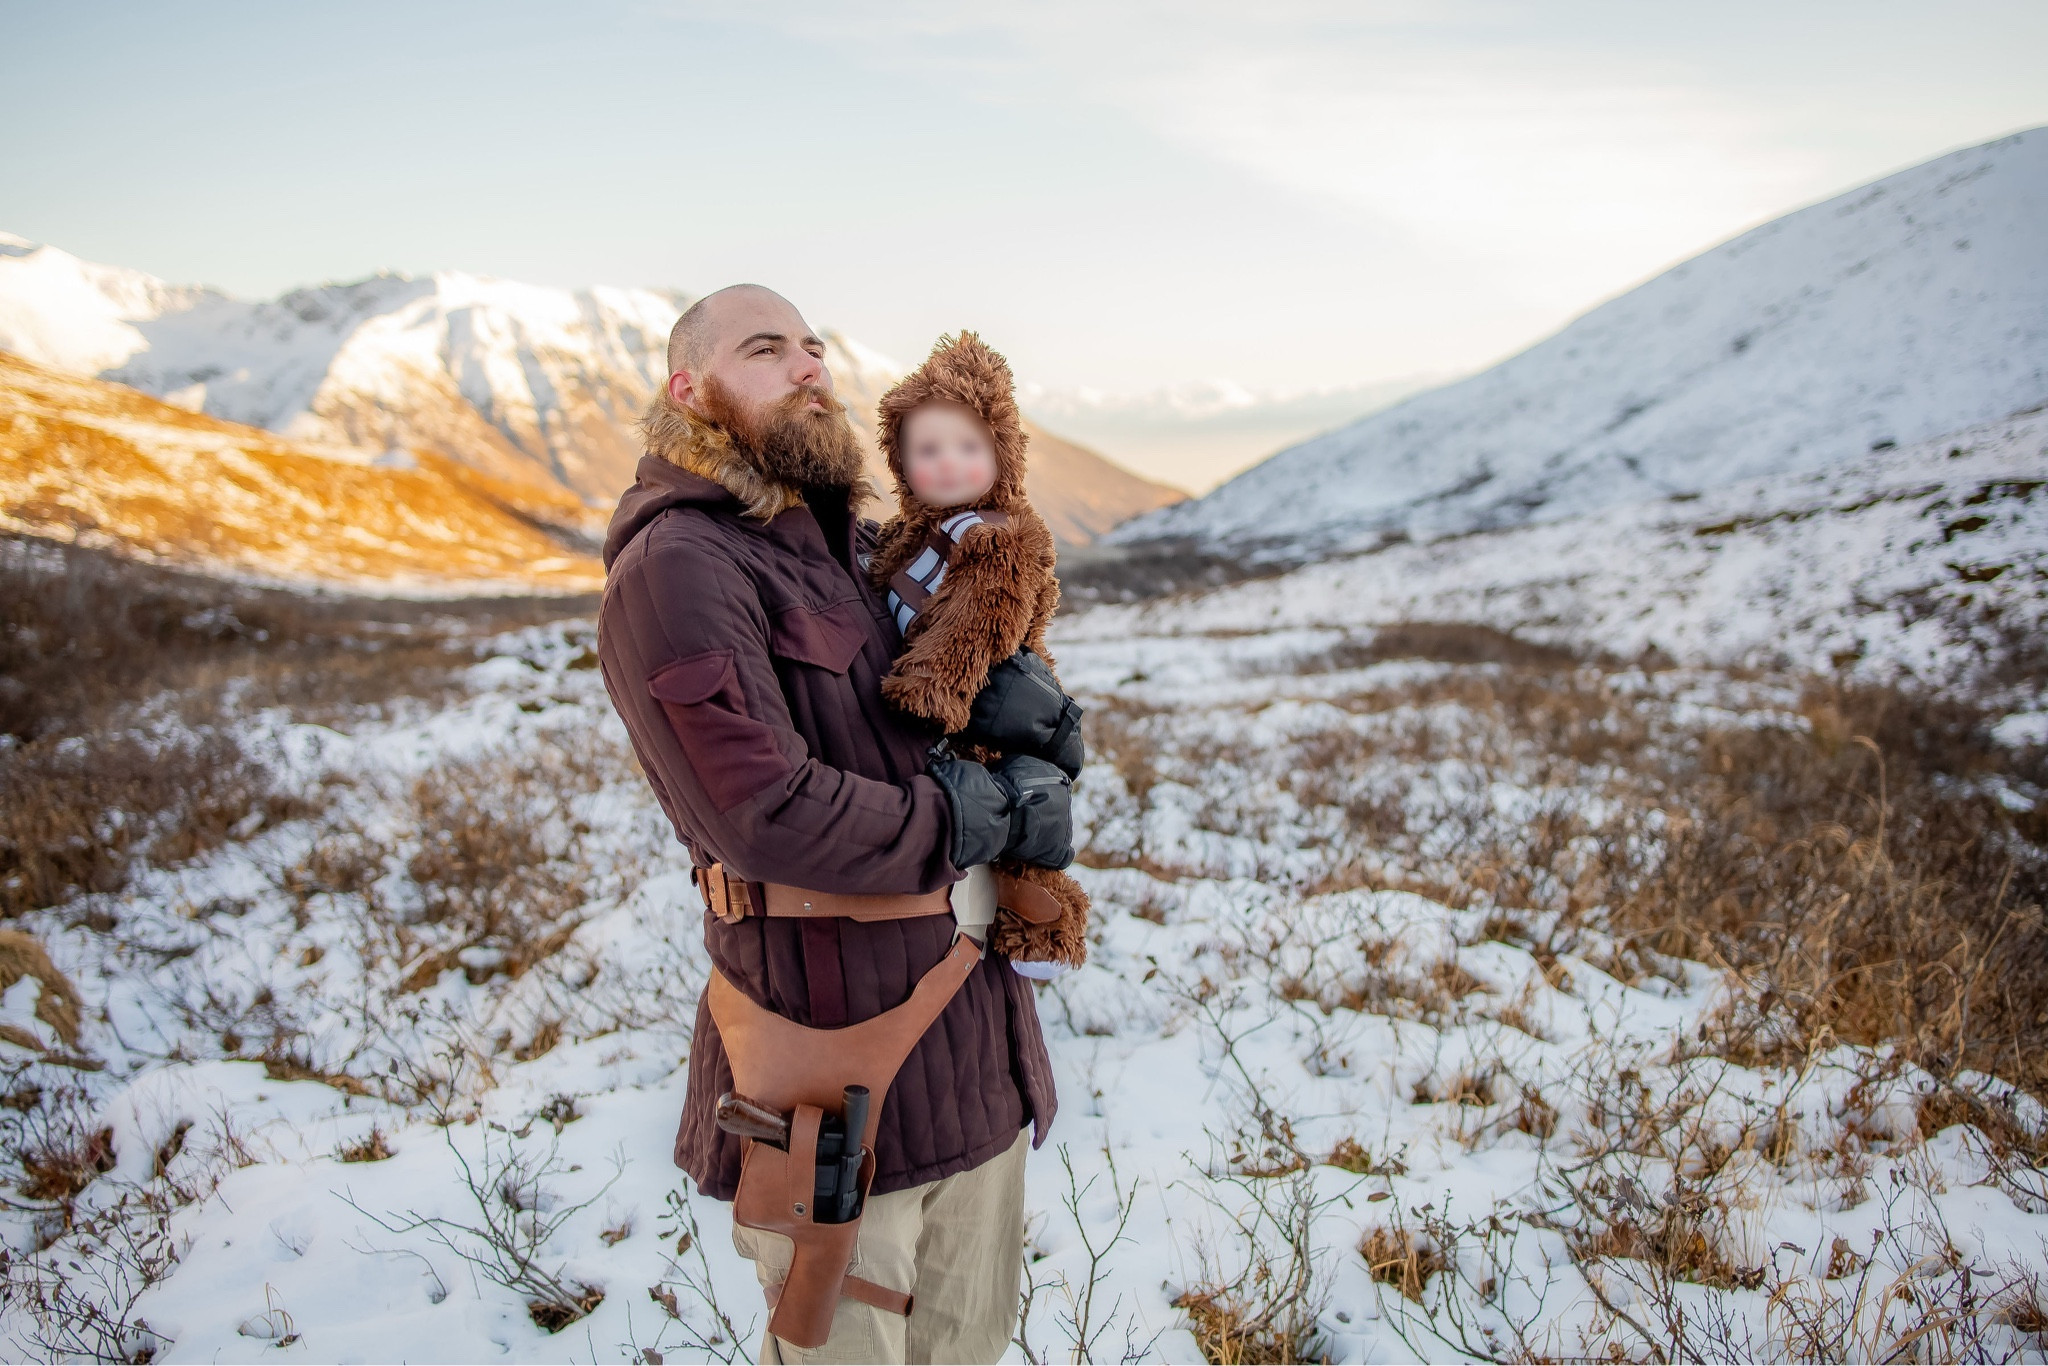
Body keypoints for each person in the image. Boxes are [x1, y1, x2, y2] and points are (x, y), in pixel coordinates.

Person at [592, 284, 1076, 1364]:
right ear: (690, 390)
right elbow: (761, 812)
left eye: (812, 346)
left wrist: (1043, 730)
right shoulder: (677, 568)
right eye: (765, 349)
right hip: (831, 1088)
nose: (808, 365)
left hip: (968, 1064)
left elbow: (964, 692)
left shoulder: (864, 550)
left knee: (969, 1349)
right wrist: (969, 816)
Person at [868, 331, 1092, 975]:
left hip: (991, 694)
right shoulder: (916, 531)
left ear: (1001, 455)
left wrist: (932, 686)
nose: (948, 463)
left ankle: (1048, 933)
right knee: (988, 807)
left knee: (1020, 804)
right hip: (956, 694)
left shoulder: (994, 537)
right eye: (928, 449)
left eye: (968, 448)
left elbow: (981, 620)